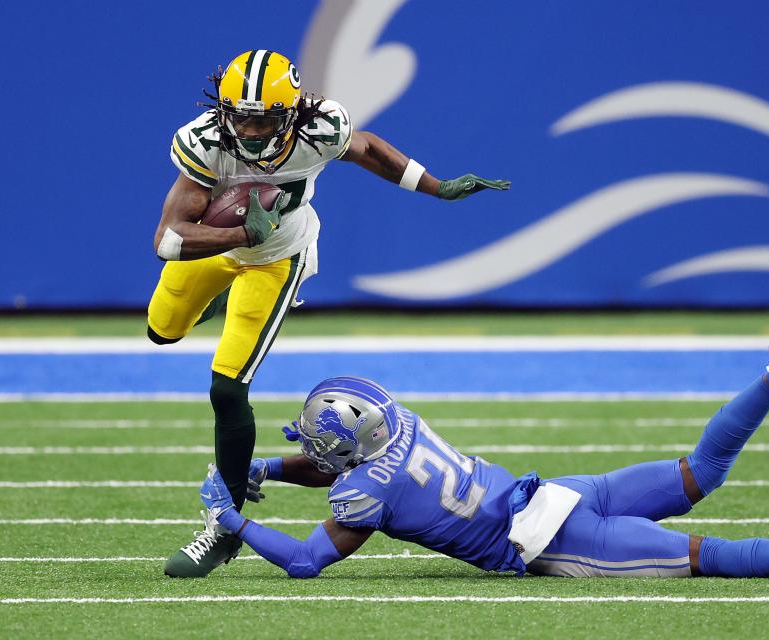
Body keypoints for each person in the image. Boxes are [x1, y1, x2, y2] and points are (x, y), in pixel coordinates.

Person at [152, 49, 510, 578]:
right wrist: (239, 233)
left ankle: (222, 531)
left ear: (292, 113)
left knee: (227, 388)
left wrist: (436, 186)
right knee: (162, 331)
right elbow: (168, 239)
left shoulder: (320, 128)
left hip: (278, 258)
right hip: (222, 246)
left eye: (265, 117)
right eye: (241, 115)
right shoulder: (205, 142)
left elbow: (368, 150)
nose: (250, 130)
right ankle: (228, 298)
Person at [194, 325, 769, 578]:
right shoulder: (404, 424)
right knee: (699, 472)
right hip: (554, 491)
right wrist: (259, 470)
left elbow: (304, 560)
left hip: (547, 537)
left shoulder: (362, 495)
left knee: (714, 557)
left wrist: (235, 521)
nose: (314, 451)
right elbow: (336, 463)